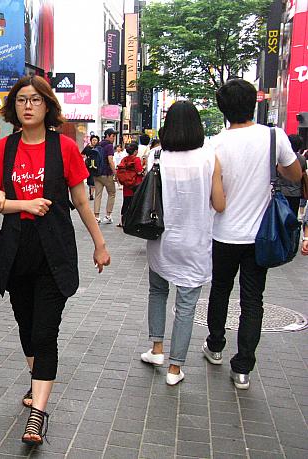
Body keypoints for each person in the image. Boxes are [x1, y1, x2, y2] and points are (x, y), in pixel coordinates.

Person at [0, 75, 110, 446]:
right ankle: (37, 380)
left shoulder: (65, 148)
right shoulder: (3, 149)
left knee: (45, 332)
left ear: (47, 106)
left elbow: (83, 201)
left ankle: (38, 413)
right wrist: (22, 204)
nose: (28, 106)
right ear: (13, 106)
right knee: (26, 327)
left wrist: (99, 244)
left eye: (36, 100)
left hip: (55, 251)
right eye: (22, 99)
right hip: (16, 250)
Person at [203, 79, 301, 390]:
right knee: (252, 300)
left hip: (224, 233)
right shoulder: (274, 137)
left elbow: (213, 195)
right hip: (261, 235)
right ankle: (242, 368)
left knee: (219, 290)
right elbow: (295, 175)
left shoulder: (214, 144)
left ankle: (215, 346)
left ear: (223, 110)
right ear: (253, 104)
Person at [139, 101, 225, 385]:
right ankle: (175, 369)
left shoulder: (156, 156)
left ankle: (157, 349)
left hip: (162, 239)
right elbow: (220, 203)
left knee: (158, 292)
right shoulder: (209, 157)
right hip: (195, 241)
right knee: (186, 306)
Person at [93, 128, 117, 224]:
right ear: (107, 135)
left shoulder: (98, 144)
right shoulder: (109, 146)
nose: (114, 138)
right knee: (112, 193)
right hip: (106, 174)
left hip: (97, 173)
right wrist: (115, 173)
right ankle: (108, 215)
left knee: (98, 195)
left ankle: (96, 216)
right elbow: (110, 160)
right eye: (112, 136)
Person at [280, 134, 307, 218]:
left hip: (281, 191)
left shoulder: (281, 157)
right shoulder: (302, 159)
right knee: (293, 216)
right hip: (295, 192)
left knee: (280, 216)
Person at [118, 142, 142, 227]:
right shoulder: (136, 159)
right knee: (135, 203)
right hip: (135, 185)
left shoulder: (124, 159)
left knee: (126, 203)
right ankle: (133, 221)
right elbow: (139, 171)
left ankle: (122, 221)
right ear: (135, 151)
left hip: (126, 185)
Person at [83, 135, 100, 200]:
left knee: (94, 180)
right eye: (93, 140)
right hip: (89, 166)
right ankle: (91, 193)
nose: (94, 141)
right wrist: (86, 158)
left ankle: (92, 194)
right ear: (91, 141)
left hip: (96, 166)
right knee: (90, 180)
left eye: (96, 140)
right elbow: (82, 154)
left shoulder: (99, 148)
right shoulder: (87, 148)